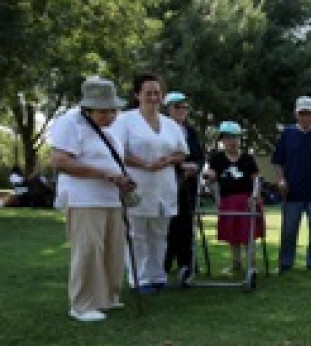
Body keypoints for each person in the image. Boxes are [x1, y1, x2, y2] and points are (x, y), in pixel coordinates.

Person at [49, 76, 135, 321]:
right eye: (105, 111)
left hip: (111, 198)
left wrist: (122, 178)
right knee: (89, 249)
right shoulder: (69, 122)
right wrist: (104, 173)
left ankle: (107, 297)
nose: (111, 116)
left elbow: (112, 160)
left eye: (113, 110)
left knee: (112, 249)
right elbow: (59, 161)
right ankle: (82, 304)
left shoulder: (108, 130)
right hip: (84, 198)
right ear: (88, 108)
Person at [112, 73, 188, 294]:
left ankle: (158, 276)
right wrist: (144, 164)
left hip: (164, 185)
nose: (153, 97)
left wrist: (169, 160)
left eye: (157, 93)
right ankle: (140, 278)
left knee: (159, 233)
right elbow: (118, 152)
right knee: (137, 234)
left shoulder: (170, 124)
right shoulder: (125, 120)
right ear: (137, 95)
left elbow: (182, 152)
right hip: (137, 183)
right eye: (148, 93)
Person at [272, 96, 311, 273]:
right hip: (292, 192)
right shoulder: (287, 134)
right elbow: (277, 162)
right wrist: (281, 180)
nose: (305, 116)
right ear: (296, 114)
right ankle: (285, 264)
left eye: (308, 113)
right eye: (302, 113)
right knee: (289, 230)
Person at [203, 121, 263, 272]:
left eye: (235, 138)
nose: (233, 141)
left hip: (247, 200)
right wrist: (208, 175)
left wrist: (254, 197)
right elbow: (212, 177)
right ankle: (236, 263)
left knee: (248, 234)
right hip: (228, 201)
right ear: (223, 140)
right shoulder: (217, 159)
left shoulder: (248, 159)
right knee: (233, 234)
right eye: (229, 138)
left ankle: (251, 264)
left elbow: (256, 179)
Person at [163, 91, 204, 278]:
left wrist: (195, 166)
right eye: (176, 107)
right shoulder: (161, 128)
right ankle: (164, 264)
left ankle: (186, 264)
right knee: (168, 224)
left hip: (189, 184)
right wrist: (180, 165)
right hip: (167, 182)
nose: (181, 110)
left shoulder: (191, 131)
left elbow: (199, 156)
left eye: (184, 107)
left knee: (186, 224)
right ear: (168, 109)